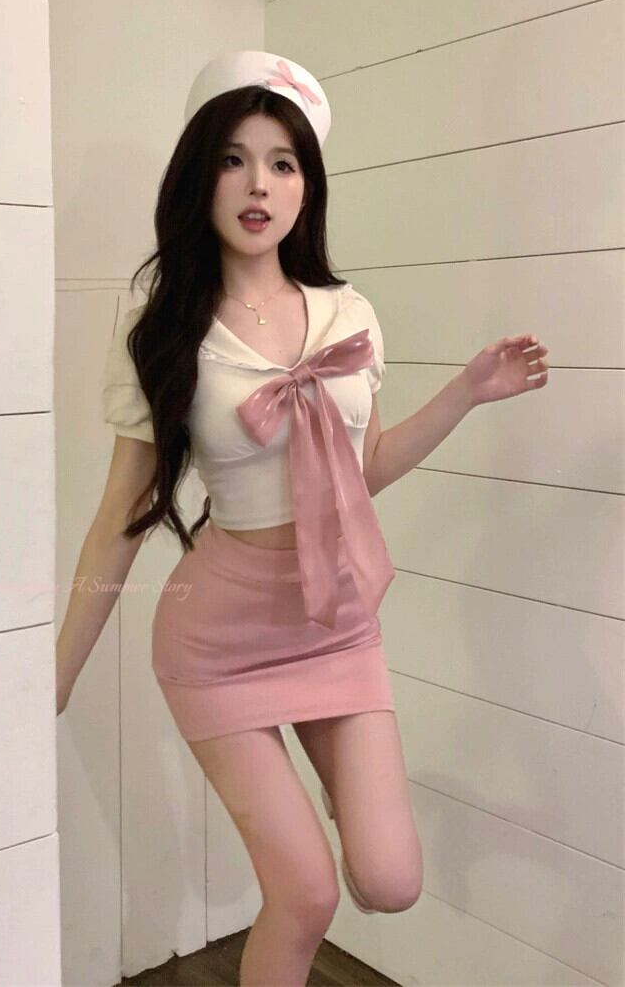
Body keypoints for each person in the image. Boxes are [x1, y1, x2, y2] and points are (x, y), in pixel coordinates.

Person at [55, 50, 550, 986]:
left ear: (306, 186)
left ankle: (340, 787)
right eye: (233, 159)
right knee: (307, 893)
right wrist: (56, 674)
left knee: (390, 882)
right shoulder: (164, 331)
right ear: (200, 175)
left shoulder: (346, 313)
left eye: (282, 163)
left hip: (336, 625)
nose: (259, 184)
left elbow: (362, 473)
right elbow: (119, 517)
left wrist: (466, 393)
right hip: (220, 642)